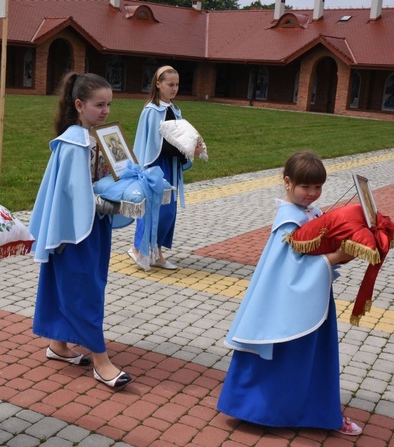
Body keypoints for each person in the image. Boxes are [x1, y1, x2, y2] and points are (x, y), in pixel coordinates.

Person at [217, 151, 363, 436]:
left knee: (307, 359)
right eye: (305, 187)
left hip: (309, 298)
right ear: (287, 183)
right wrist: (336, 257)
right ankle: (262, 409)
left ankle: (311, 410)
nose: (312, 193)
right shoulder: (289, 220)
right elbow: (288, 269)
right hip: (288, 305)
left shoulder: (310, 214)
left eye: (318, 187)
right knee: (286, 354)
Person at [28, 72, 133, 390]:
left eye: (109, 104)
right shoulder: (74, 143)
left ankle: (59, 345)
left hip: (89, 228)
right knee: (83, 291)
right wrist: (111, 203)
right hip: (75, 232)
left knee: (74, 286)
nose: (106, 111)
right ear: (78, 105)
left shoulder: (92, 137)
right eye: (99, 105)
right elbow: (74, 194)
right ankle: (101, 362)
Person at [127, 65, 202, 271]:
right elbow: (155, 143)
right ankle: (138, 248)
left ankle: (157, 252)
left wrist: (191, 146)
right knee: (153, 209)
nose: (174, 88)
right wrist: (185, 149)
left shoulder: (175, 110)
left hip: (170, 166)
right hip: (155, 166)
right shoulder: (151, 111)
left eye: (177, 84)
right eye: (170, 84)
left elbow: (178, 138)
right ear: (158, 84)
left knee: (168, 212)